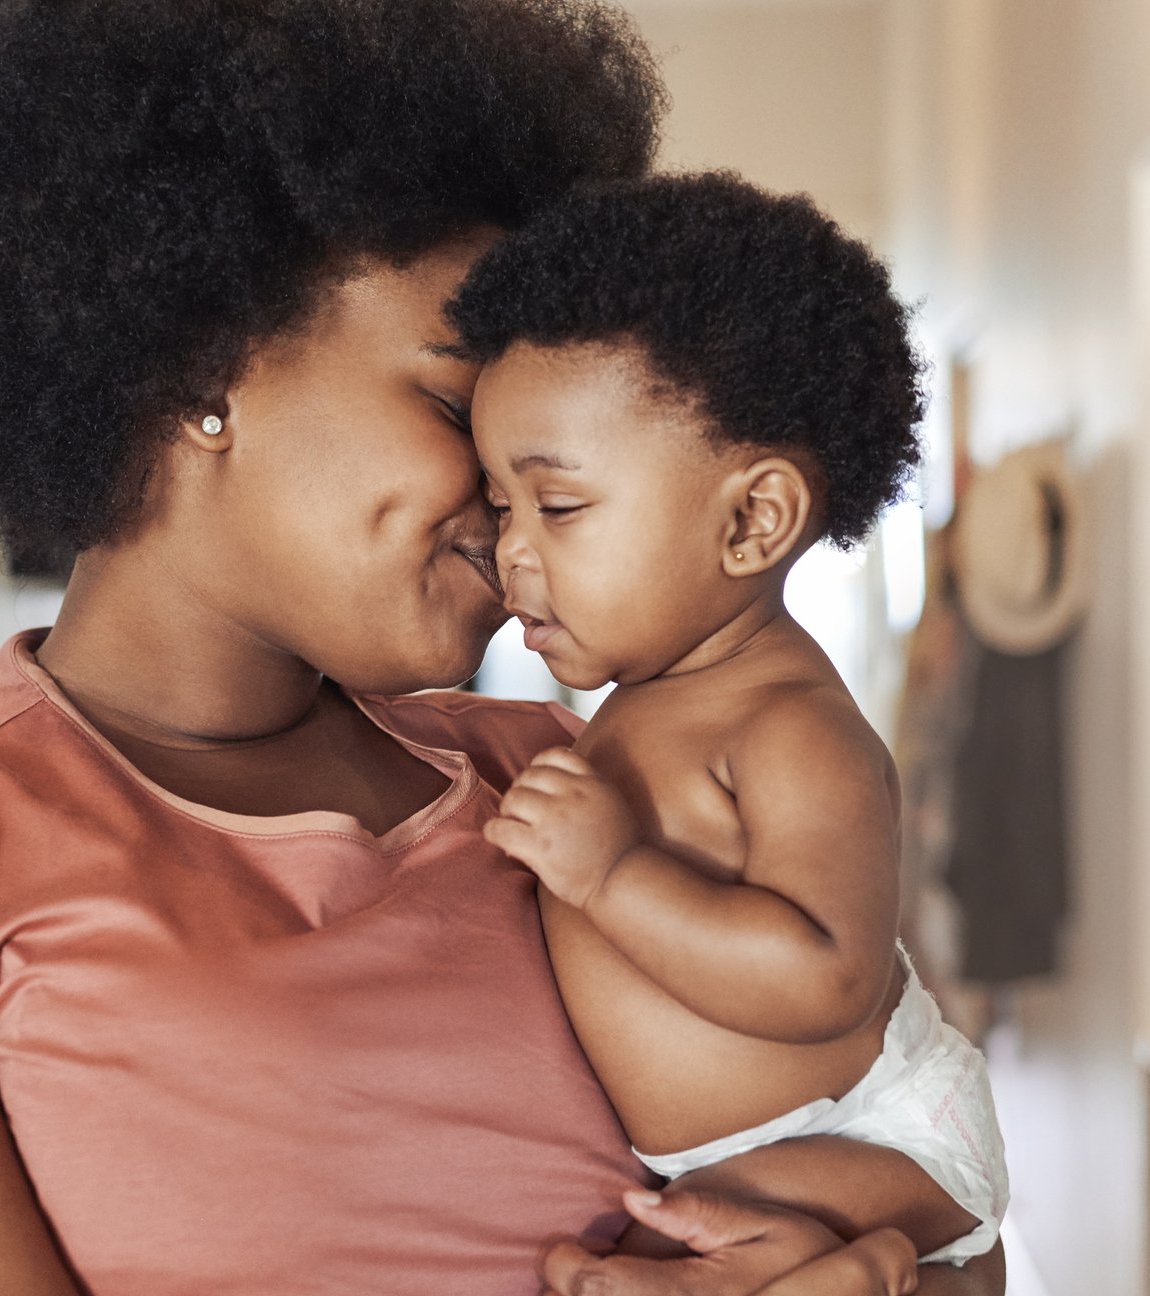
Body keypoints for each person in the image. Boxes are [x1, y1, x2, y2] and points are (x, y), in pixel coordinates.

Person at [0, 3, 1004, 1293]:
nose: (510, 518)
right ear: (202, 363)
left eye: (550, 467)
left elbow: (927, 1182)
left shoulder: (572, 780)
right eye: (459, 413)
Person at [451, 173, 1008, 1267]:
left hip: (875, 1137)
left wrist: (613, 876)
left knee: (668, 1243)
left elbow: (826, 975)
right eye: (502, 506)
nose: (509, 549)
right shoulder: (644, 705)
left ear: (753, 519)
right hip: (774, 1143)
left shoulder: (791, 728)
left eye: (557, 507)